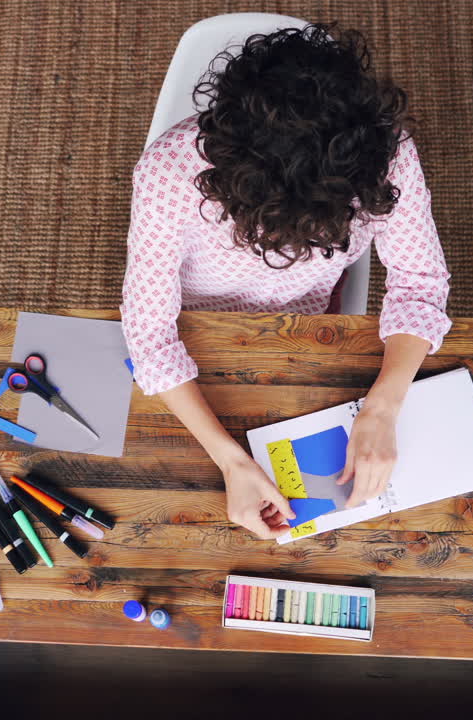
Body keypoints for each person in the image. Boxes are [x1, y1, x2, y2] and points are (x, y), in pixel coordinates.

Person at [120, 24, 451, 539]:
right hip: (200, 324)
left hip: (311, 321)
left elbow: (420, 281)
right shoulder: (167, 172)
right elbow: (149, 334)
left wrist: (384, 406)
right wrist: (231, 462)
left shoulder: (389, 154)